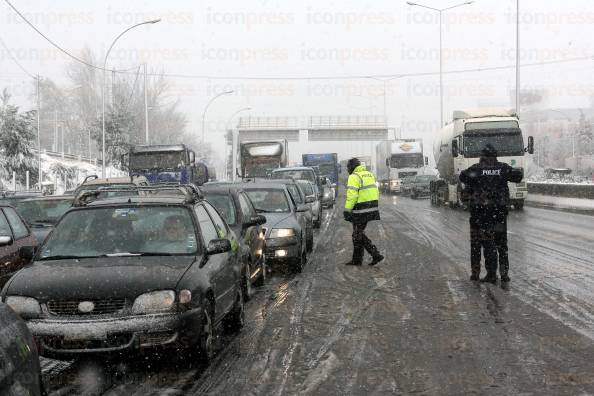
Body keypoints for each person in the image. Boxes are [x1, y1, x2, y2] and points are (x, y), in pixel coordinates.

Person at [459, 144, 523, 283]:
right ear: (495, 156)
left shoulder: (476, 169)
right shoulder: (503, 168)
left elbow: (463, 177)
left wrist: (478, 177)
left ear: (482, 156)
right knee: (501, 244)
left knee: (481, 245)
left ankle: (483, 274)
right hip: (499, 213)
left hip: (479, 214)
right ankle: (504, 274)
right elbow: (518, 176)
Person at [343, 158, 384, 266]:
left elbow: (352, 195)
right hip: (372, 207)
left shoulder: (354, 177)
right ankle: (357, 260)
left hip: (361, 209)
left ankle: (375, 255)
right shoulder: (368, 174)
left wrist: (347, 210)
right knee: (357, 234)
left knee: (357, 234)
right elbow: (375, 190)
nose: (347, 170)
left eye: (348, 167)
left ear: (351, 167)